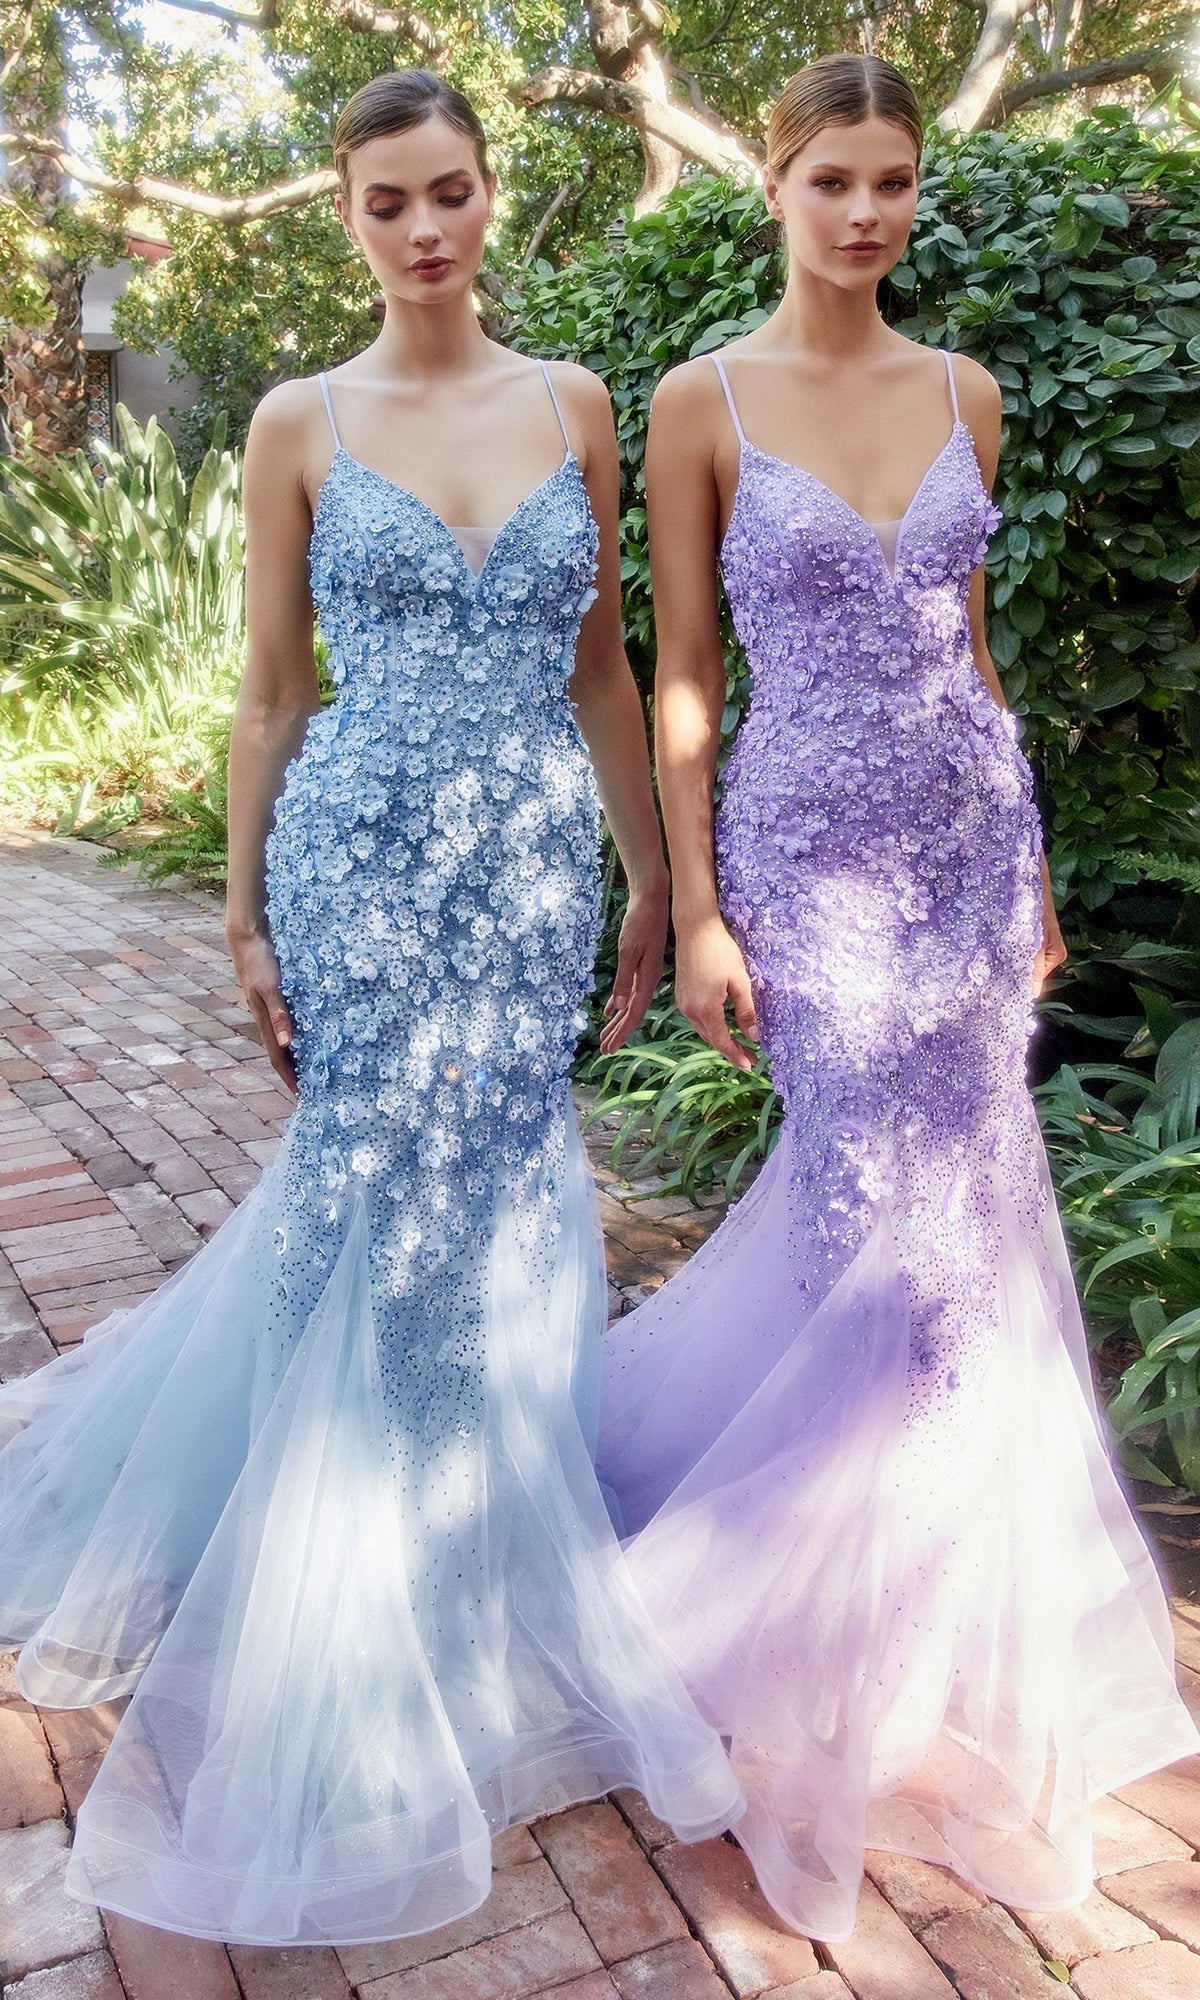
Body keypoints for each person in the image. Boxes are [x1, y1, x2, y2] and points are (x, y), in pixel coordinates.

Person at [0, 69, 740, 1947]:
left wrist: (653, 875)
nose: (423, 229)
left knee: (497, 1190)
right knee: (376, 1186)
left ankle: (467, 1522)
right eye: (385, 202)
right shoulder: (295, 419)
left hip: (527, 871)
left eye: (450, 194)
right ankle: (362, 1569)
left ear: (494, 202)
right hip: (356, 861)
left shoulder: (573, 405)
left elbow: (601, 671)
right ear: (347, 220)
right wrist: (244, 914)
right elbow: (266, 691)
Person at [596, 51, 1199, 1944]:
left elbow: (980, 656)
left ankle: (929, 1610)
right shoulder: (703, 401)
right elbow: (682, 673)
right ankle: (797, 1622)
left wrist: (1028, 871)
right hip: (801, 850)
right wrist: (696, 907)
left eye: (895, 183)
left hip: (959, 844)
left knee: (968, 1218)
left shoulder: (973, 394)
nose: (865, 214)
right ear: (771, 185)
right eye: (832, 179)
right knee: (878, 1207)